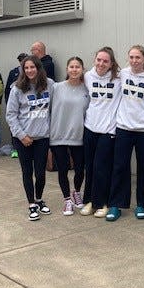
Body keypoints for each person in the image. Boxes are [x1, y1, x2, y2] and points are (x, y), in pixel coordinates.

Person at [106, 46, 144, 221]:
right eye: (131, 57)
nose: (134, 60)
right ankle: (116, 205)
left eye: (138, 57)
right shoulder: (123, 74)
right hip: (123, 128)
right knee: (119, 167)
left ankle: (142, 203)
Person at [6, 55, 55, 221]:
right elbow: (11, 115)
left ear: (38, 68)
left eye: (32, 67)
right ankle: (31, 204)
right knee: (27, 172)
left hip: (42, 137)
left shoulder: (50, 85)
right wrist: (21, 135)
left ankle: (39, 199)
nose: (29, 71)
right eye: (26, 68)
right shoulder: (17, 88)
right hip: (24, 139)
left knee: (40, 173)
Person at [79, 48, 123, 217]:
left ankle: (103, 202)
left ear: (111, 63)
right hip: (90, 127)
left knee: (102, 167)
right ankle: (89, 200)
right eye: (99, 60)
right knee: (89, 166)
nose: (101, 64)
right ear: (94, 60)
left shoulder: (119, 78)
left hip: (108, 130)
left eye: (105, 61)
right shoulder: (88, 76)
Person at [50, 57, 89, 216]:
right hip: (58, 134)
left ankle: (76, 192)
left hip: (78, 136)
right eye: (71, 67)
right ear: (67, 69)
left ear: (82, 69)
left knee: (80, 169)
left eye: (77, 67)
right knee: (63, 169)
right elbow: (48, 109)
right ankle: (67, 200)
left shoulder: (87, 90)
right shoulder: (56, 87)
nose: (74, 69)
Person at [5, 53, 28, 159]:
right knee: (14, 126)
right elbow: (7, 89)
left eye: (24, 59)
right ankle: (15, 148)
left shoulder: (32, 72)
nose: (22, 61)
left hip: (27, 106)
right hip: (15, 104)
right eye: (20, 60)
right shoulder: (13, 72)